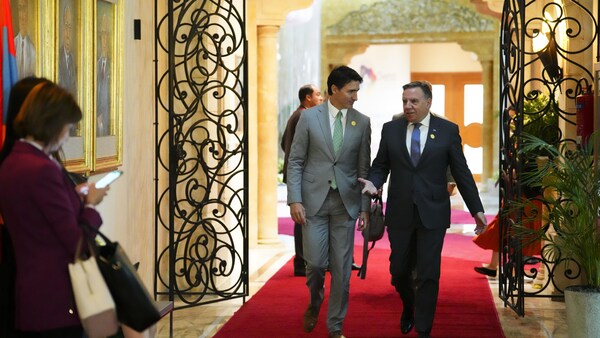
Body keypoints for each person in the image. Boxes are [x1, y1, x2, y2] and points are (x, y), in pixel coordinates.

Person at [359, 80, 487, 338]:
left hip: (433, 212)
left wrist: (477, 210)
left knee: (428, 272)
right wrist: (374, 182)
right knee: (399, 271)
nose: (408, 106)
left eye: (414, 101)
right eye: (405, 101)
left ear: (428, 102)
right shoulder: (391, 129)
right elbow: (381, 164)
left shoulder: (447, 131)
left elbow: (461, 173)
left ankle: (424, 328)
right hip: (400, 211)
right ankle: (409, 306)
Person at [0, 80, 109, 337]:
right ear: (52, 123)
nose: (67, 135)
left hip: (32, 298)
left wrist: (71, 196)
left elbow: (39, 216)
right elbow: (77, 245)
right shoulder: (42, 169)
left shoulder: (13, 161)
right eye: (68, 127)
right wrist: (91, 205)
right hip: (57, 300)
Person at [287, 65, 371, 338]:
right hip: (313, 204)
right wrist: (294, 200)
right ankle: (315, 300)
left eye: (357, 91)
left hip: (345, 205)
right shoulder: (309, 118)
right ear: (334, 90)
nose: (355, 97)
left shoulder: (363, 121)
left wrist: (364, 208)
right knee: (315, 265)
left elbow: (363, 171)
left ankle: (335, 328)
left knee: (343, 273)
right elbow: (296, 161)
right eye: (351, 91)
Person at [280, 84, 323, 276]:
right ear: (307, 98)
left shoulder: (297, 115)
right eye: (318, 94)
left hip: (301, 174)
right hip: (302, 176)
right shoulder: (302, 116)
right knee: (302, 218)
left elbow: (284, 143)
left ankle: (305, 261)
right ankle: (302, 262)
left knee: (303, 218)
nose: (321, 98)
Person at [58, 3, 77, 99]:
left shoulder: (72, 58)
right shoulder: (58, 57)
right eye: (66, 26)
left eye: (70, 27)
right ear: (62, 28)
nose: (68, 33)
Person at [14, 0, 36, 79]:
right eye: (20, 8)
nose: (22, 15)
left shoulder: (33, 50)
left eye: (25, 9)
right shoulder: (12, 45)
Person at [96, 12, 111, 137]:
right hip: (98, 118)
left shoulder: (113, 65)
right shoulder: (97, 65)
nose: (104, 38)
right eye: (102, 34)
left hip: (109, 118)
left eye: (106, 34)